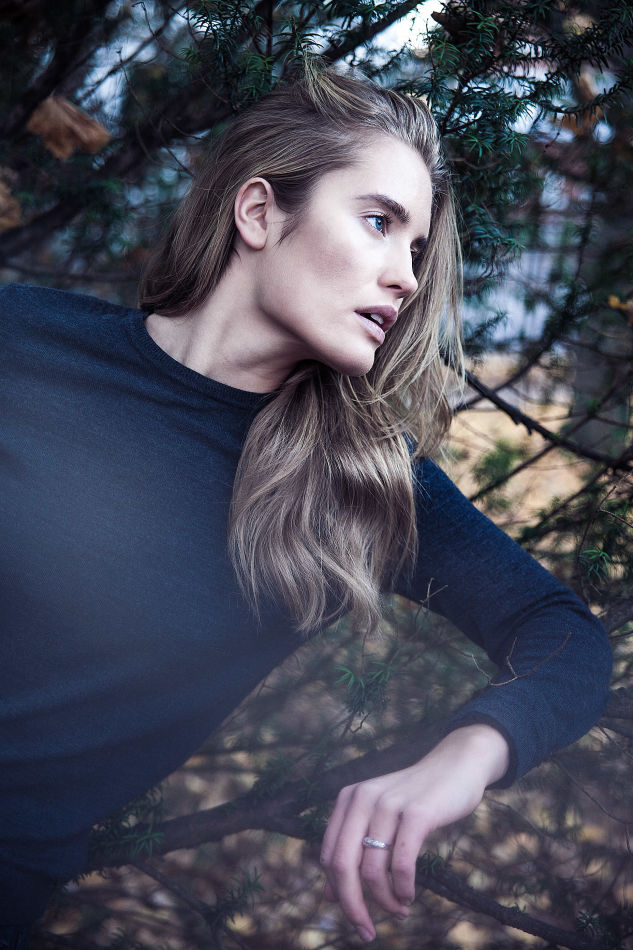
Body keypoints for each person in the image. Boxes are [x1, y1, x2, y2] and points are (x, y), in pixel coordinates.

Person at [0, 65, 612, 947]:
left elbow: (564, 637)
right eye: (378, 222)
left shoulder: (357, 486)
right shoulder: (23, 340)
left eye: (415, 250)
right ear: (259, 213)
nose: (405, 278)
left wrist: (467, 755)